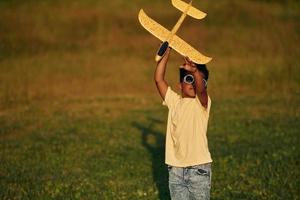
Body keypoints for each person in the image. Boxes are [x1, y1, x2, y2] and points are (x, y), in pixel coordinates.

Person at [154, 47, 212, 200]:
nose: (193, 83)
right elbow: (159, 79)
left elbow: (200, 90)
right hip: (176, 171)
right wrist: (166, 54)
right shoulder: (174, 101)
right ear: (180, 84)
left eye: (199, 81)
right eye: (188, 79)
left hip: (199, 169)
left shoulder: (202, 103)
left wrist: (194, 71)